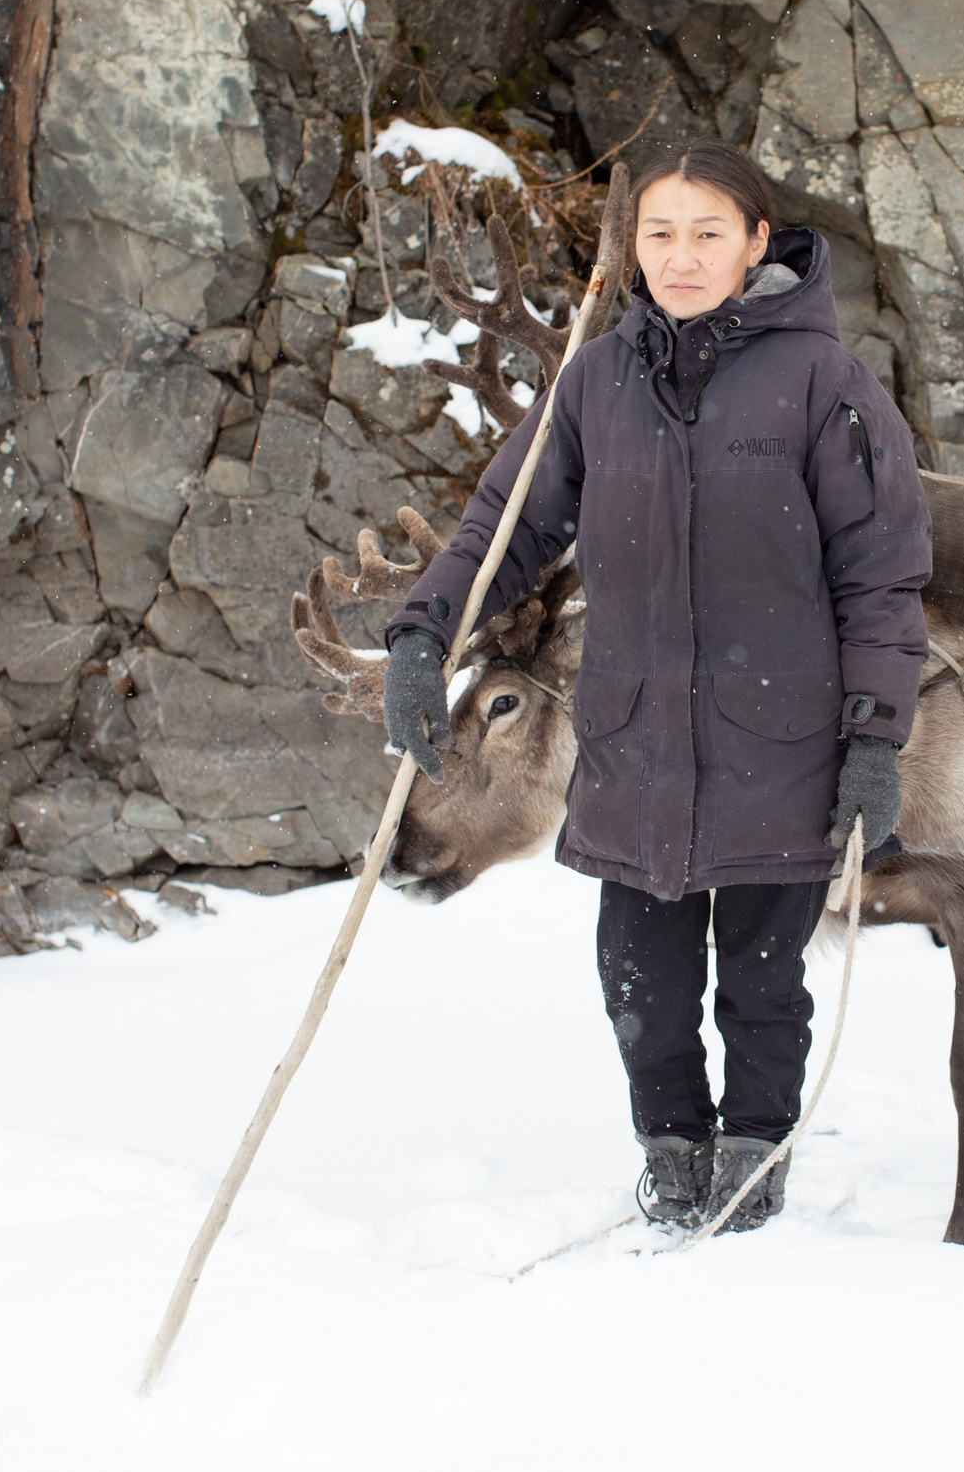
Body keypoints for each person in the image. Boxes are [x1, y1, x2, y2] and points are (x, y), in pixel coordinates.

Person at [381, 138, 931, 1233]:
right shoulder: (596, 380)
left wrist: (874, 738)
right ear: (633, 249)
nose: (681, 258)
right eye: (659, 234)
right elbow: (504, 525)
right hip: (632, 742)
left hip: (781, 737)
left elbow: (881, 570)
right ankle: (672, 1154)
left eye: (708, 233)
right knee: (642, 980)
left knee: (764, 985)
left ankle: (752, 1161)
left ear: (757, 243)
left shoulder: (827, 383)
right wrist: (420, 633)